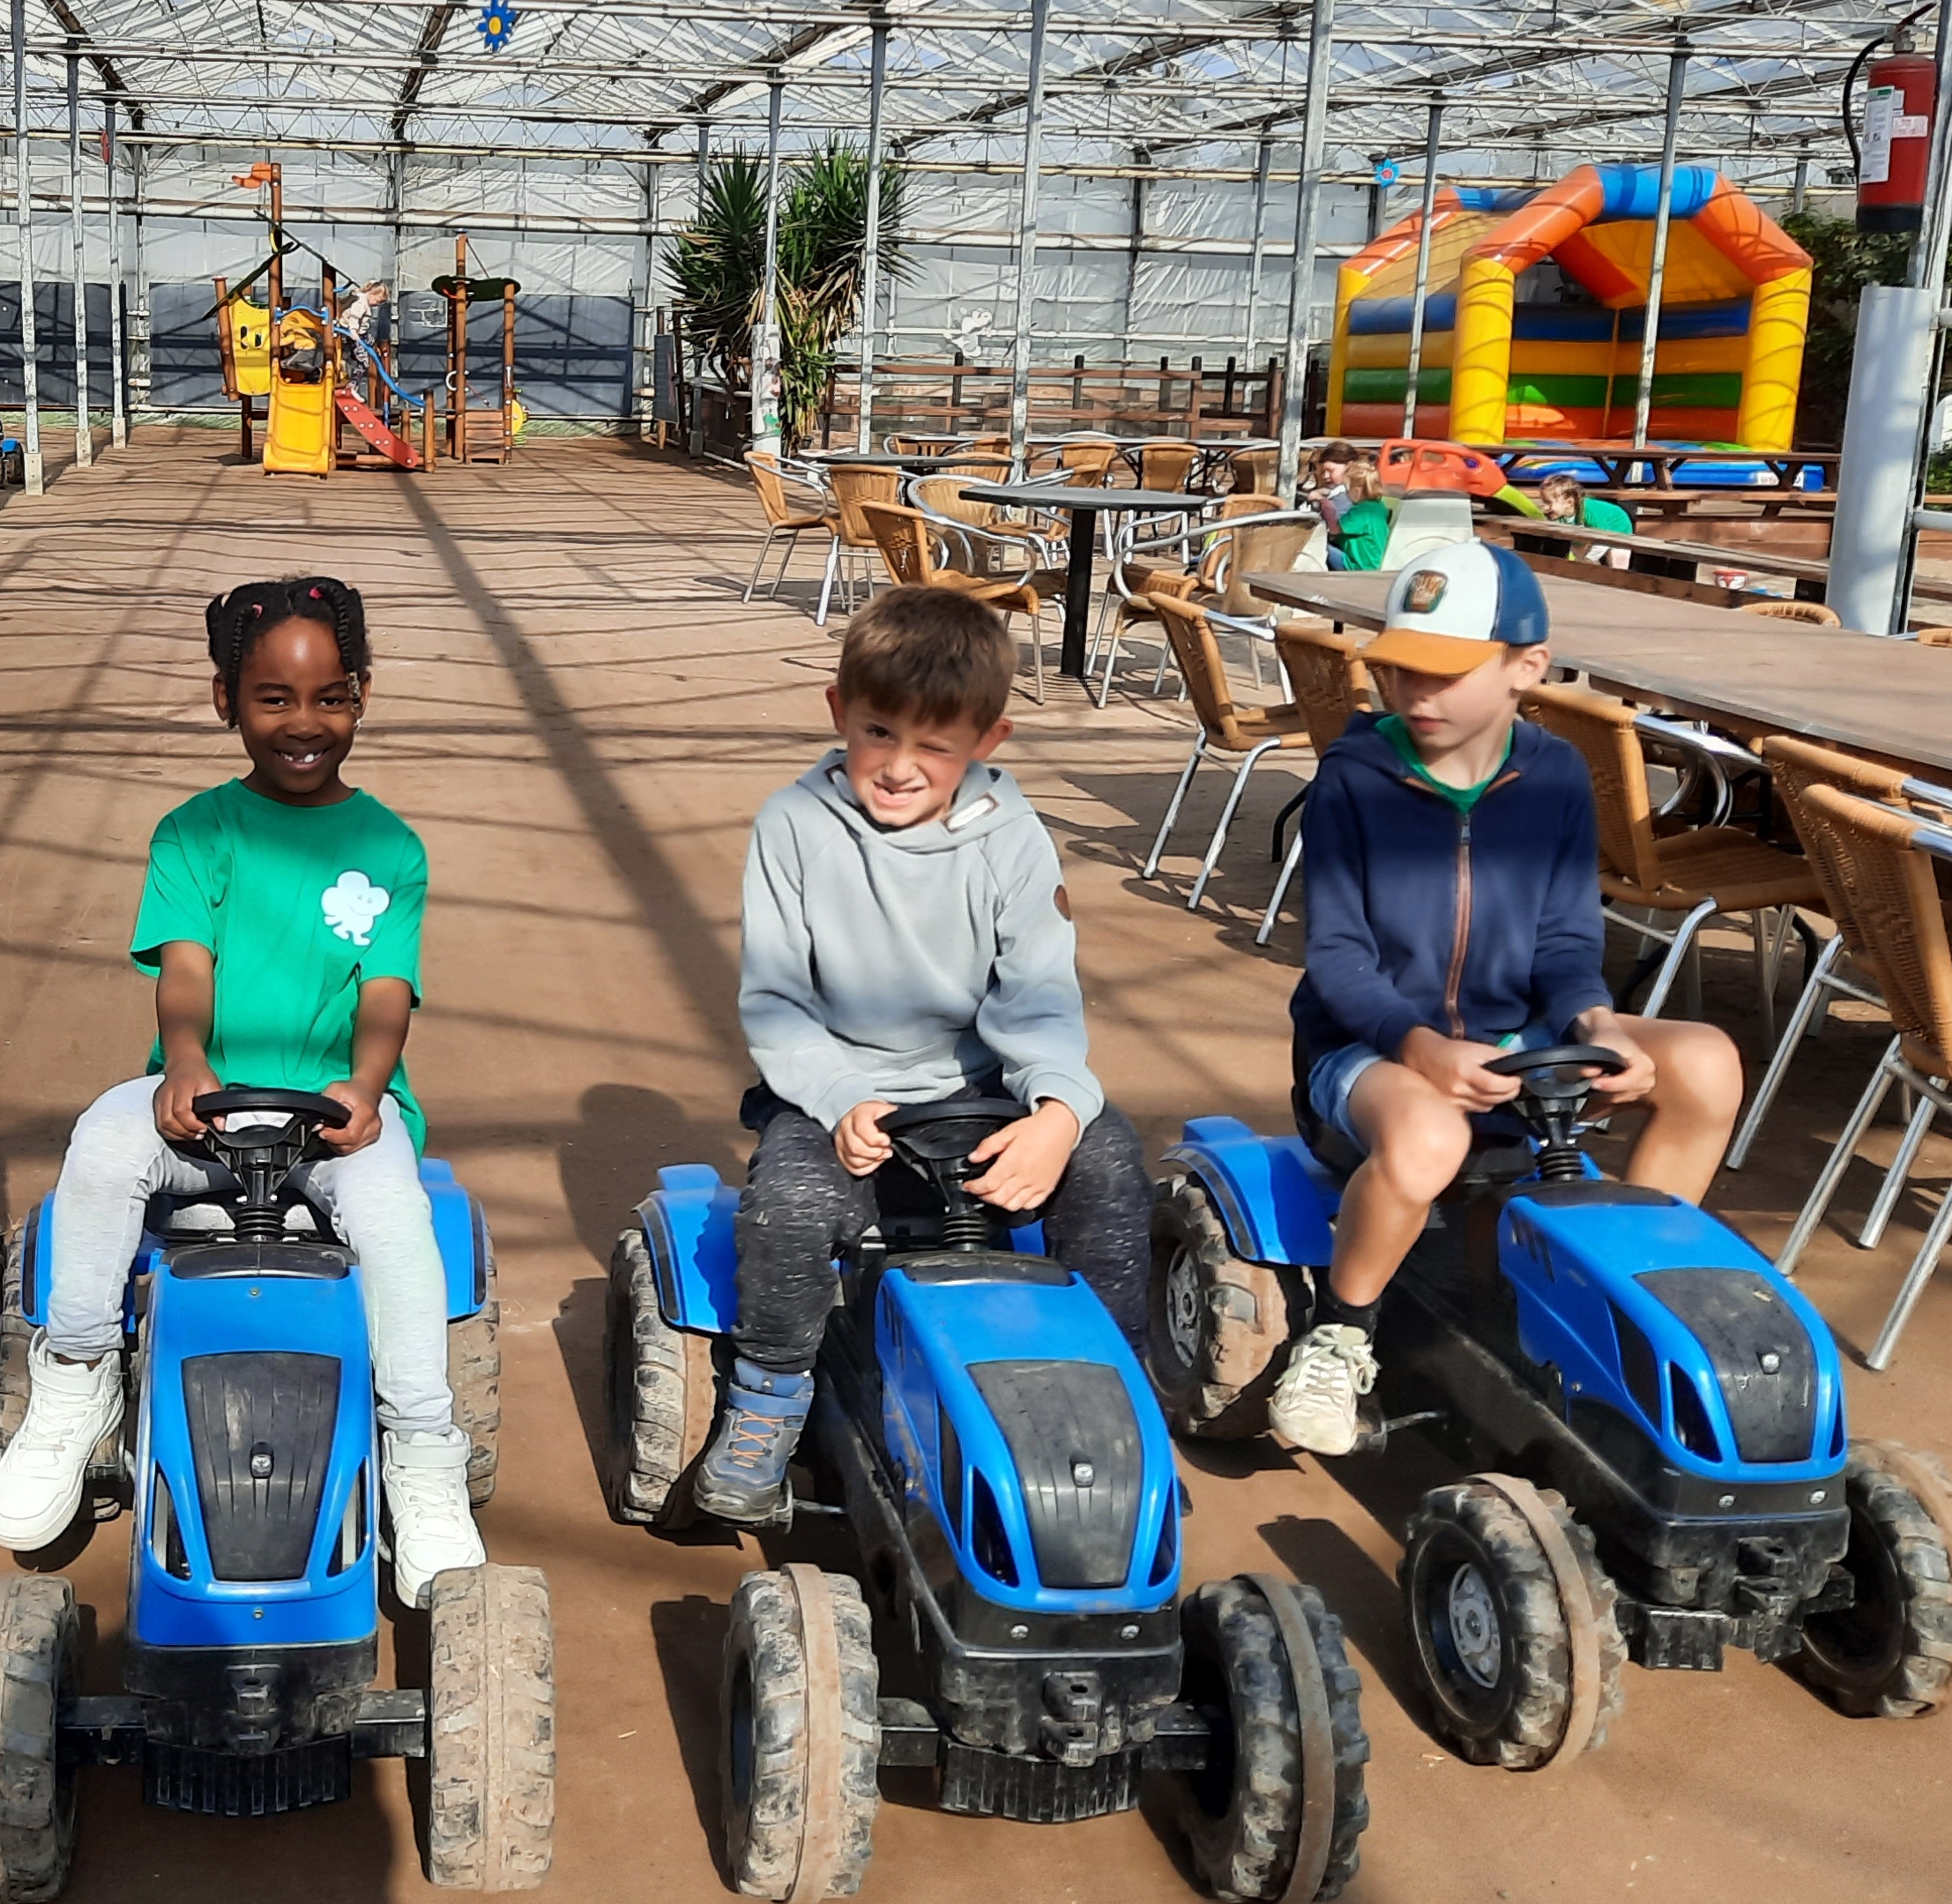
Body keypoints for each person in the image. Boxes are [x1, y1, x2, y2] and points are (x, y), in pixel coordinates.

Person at [0, 575, 483, 1603]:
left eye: (331, 696)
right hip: (203, 1103)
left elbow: (387, 993)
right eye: (275, 698)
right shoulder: (195, 833)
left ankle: (423, 1449)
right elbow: (186, 969)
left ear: (362, 694)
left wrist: (368, 1086)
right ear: (226, 699)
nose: (306, 724)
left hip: (336, 1110)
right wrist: (184, 1063)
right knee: (103, 1142)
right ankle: (76, 1377)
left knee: (398, 1209)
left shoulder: (390, 846)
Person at [1269, 539, 1740, 1455]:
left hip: (1518, 1036)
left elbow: (1566, 938)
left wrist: (1598, 1025)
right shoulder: (1354, 776)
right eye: (1399, 669)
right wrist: (1418, 1049)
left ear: (1527, 667)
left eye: (1445, 673)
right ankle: (1340, 1334)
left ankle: (1618, 1296)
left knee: (1705, 1062)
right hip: (1364, 1048)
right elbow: (1335, 956)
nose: (1416, 694)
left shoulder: (1556, 774)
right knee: (1430, 1132)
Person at [693, 585, 1155, 1519]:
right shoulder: (793, 828)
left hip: (985, 1101)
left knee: (1109, 1161)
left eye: (934, 747)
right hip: (839, 1102)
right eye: (877, 734)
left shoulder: (1015, 844)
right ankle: (770, 1394)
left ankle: (1120, 1393)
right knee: (782, 1207)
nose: (900, 767)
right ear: (838, 712)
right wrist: (838, 1099)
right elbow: (776, 1003)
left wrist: (1057, 1115)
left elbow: (1037, 1003)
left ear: (988, 741)